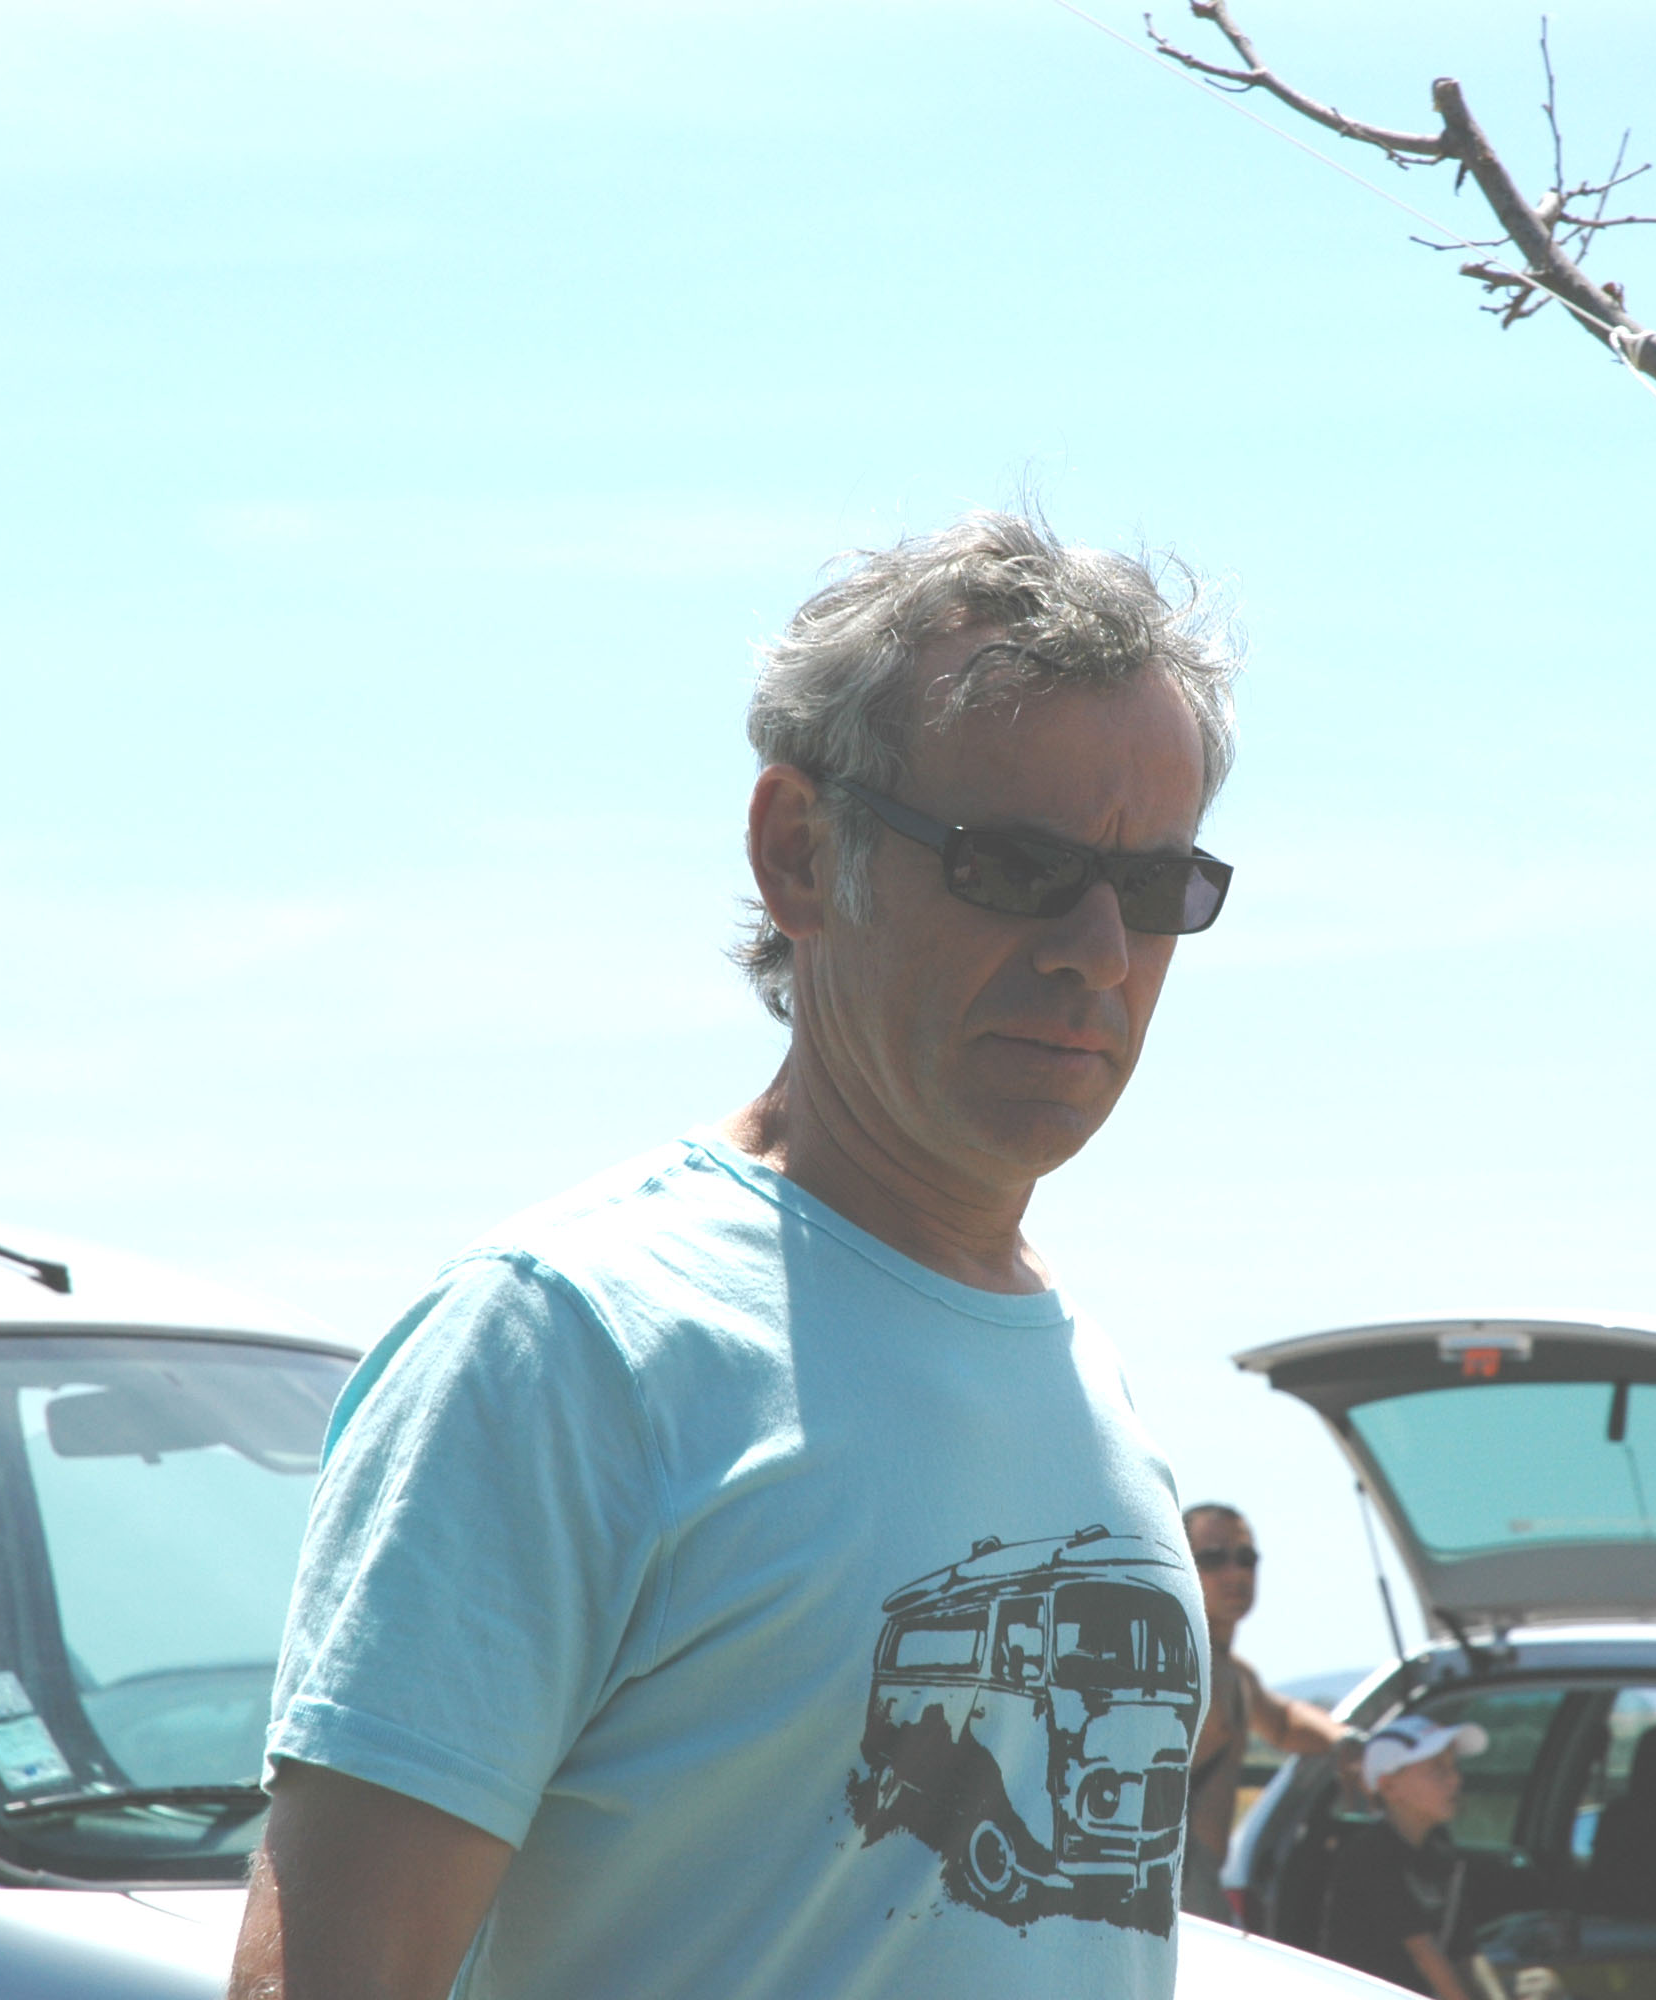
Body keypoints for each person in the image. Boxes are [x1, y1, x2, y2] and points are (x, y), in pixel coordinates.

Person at [225, 511, 1243, 2000]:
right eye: (1017, 866)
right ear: (799, 853)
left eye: (1153, 890)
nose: (1096, 949)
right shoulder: (569, 1346)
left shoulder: (1083, 1379)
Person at [1180, 1502, 1353, 1921]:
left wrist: (1347, 1742)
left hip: (1200, 1885)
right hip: (1171, 1884)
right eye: (1213, 1558)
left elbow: (1284, 1722)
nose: (1235, 1573)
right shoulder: (1176, 1665)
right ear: (1179, 1564)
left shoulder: (1234, 1673)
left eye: (1246, 1558)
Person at [1322, 1715, 1486, 1998]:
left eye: (1453, 1766)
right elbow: (1425, 1956)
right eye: (1437, 1769)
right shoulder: (1370, 1854)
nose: (1455, 1779)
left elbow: (1466, 1954)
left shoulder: (1440, 1847)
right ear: (1389, 1787)